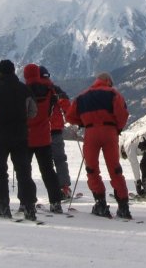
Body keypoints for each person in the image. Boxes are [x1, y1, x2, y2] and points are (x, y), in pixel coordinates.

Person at [0, 59, 39, 220]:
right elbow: (33, 112)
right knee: (24, 171)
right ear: (13, 71)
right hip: (20, 134)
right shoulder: (24, 90)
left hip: (0, 135)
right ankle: (29, 205)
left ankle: (3, 205)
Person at [67, 72, 132, 219]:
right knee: (115, 169)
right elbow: (122, 114)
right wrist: (118, 128)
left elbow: (70, 116)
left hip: (90, 132)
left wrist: (83, 122)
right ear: (108, 81)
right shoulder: (113, 93)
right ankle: (123, 206)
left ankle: (100, 204)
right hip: (109, 132)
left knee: (92, 169)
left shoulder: (82, 96)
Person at [22, 63, 65, 213]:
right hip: (44, 136)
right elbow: (51, 111)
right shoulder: (48, 91)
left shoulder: (22, 91)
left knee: (24, 171)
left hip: (26, 137)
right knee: (48, 171)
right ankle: (55, 202)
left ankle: (26, 202)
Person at [40, 65, 73, 199]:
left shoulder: (32, 90)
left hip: (39, 131)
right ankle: (64, 188)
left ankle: (51, 191)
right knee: (60, 159)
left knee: (44, 163)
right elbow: (67, 106)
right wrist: (70, 119)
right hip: (56, 131)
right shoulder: (55, 90)